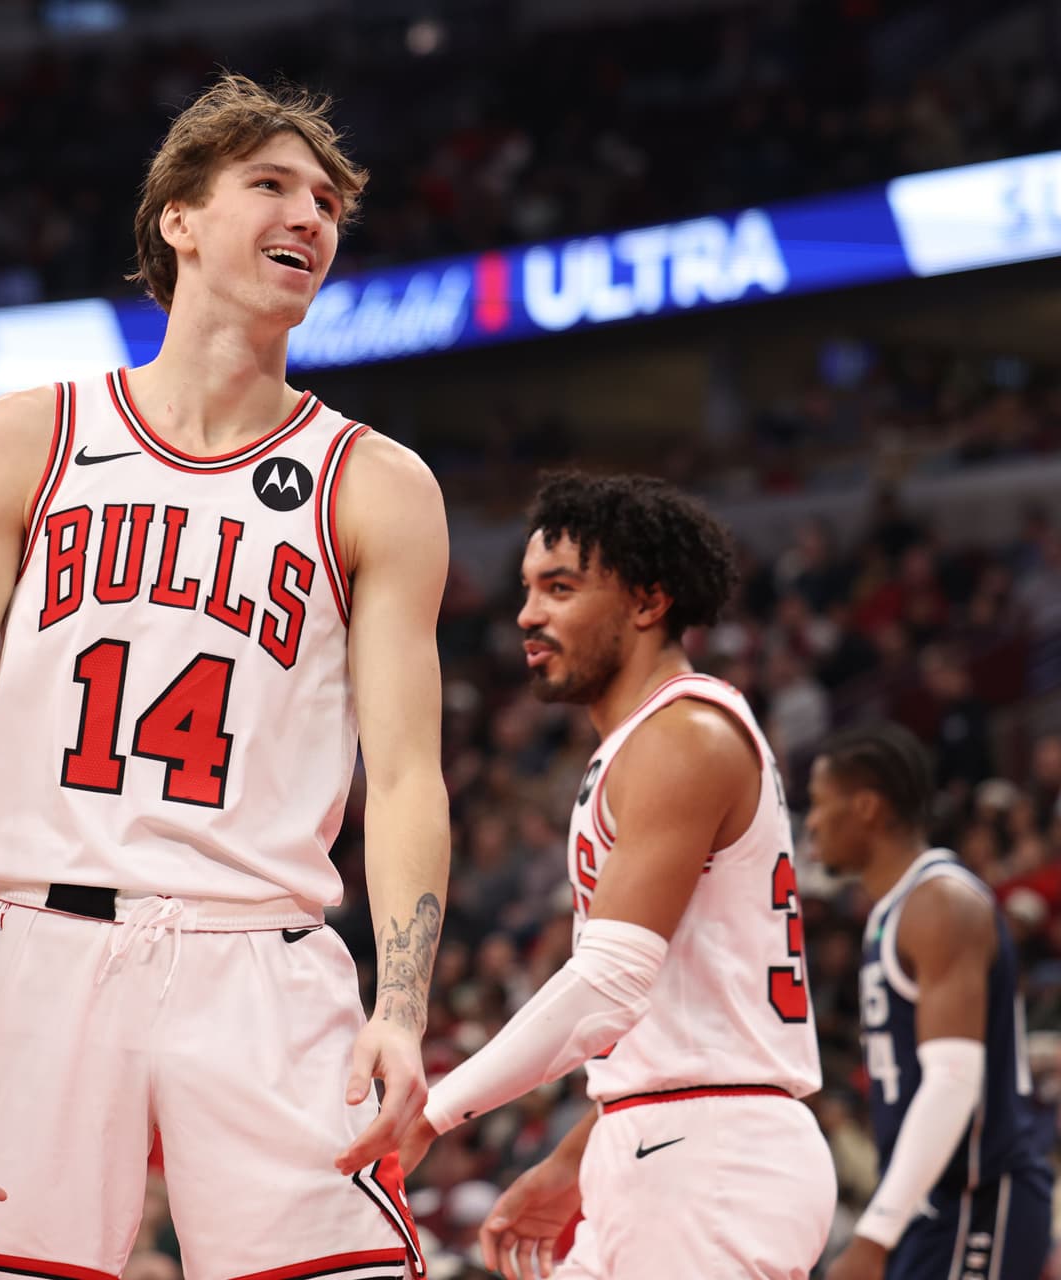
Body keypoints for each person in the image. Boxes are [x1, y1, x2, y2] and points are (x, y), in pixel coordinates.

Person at [0, 74, 448, 1280]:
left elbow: (409, 775)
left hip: (267, 954)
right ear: (179, 217)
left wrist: (405, 1004)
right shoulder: (28, 436)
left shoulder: (374, 482)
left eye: (327, 201)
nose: (310, 215)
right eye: (271, 185)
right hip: (45, 946)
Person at [401, 472, 834, 1279]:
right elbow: (680, 1011)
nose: (529, 614)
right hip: (666, 1137)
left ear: (646, 603)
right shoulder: (651, 739)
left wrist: (435, 1108)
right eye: (528, 589)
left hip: (711, 1160)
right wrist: (582, 1152)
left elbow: (612, 980)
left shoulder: (684, 737)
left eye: (561, 589)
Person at [806, 723, 1053, 1280]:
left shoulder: (940, 902)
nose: (813, 822)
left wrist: (873, 1234)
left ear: (866, 807)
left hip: (979, 1196)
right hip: (933, 1205)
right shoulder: (891, 912)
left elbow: (952, 1082)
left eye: (821, 804)